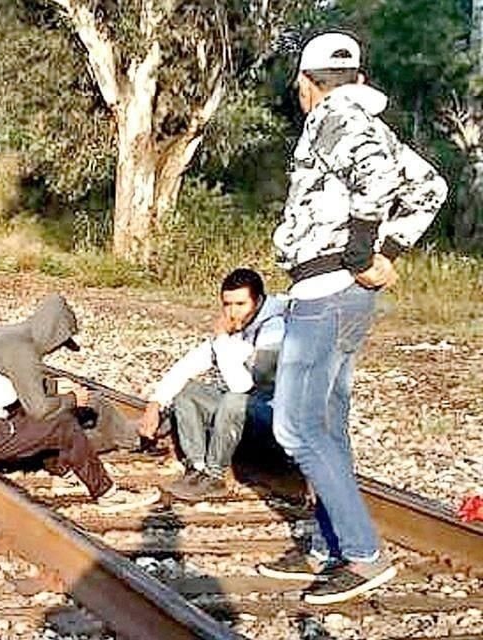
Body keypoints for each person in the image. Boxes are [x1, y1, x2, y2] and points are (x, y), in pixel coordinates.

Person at [256, 32, 448, 605]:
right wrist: (392, 250)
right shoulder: (369, 121)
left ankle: (362, 556)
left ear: (305, 86)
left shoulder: (332, 117)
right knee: (328, 423)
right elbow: (431, 186)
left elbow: (379, 183)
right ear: (360, 79)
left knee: (295, 426)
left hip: (326, 293)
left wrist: (368, 251)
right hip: (339, 294)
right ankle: (328, 542)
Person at [0, 294, 155, 508]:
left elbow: (13, 382)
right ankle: (108, 495)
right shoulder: (23, 350)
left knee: (44, 420)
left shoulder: (10, 337)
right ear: (53, 332)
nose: (55, 349)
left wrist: (55, 387)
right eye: (60, 343)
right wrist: (72, 399)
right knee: (62, 424)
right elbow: (40, 410)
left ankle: (64, 474)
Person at [139, 268, 286, 500]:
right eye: (227, 304)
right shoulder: (234, 328)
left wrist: (221, 339)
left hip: (275, 415)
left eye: (240, 304)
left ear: (257, 301)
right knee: (188, 392)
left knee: (233, 399)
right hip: (242, 411)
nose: (232, 312)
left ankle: (215, 476)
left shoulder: (275, 328)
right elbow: (189, 364)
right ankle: (197, 468)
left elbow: (243, 386)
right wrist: (155, 403)